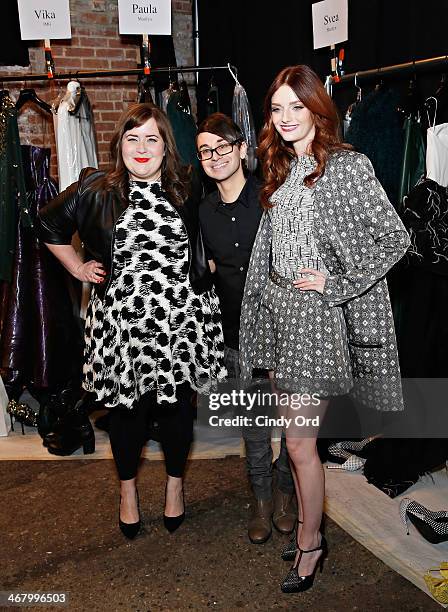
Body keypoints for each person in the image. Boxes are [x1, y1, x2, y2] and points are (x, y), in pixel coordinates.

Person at [239, 65, 410, 593]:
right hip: (279, 317)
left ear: (318, 110)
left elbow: (395, 239)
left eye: (298, 106)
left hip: (316, 320)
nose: (287, 118)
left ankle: (311, 542)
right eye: (278, 108)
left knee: (297, 444)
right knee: (294, 445)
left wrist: (336, 283)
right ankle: (311, 527)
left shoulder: (347, 166)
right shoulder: (281, 167)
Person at [37, 103, 226, 539]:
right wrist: (79, 268)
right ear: (119, 144)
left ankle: (175, 487)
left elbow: (218, 224)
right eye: (132, 138)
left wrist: (212, 264)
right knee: (128, 414)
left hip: (181, 322)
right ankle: (128, 492)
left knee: (178, 409)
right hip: (122, 325)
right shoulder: (94, 189)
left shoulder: (188, 187)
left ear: (165, 147)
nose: (142, 148)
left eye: (152, 139)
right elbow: (47, 225)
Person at [196, 113, 297, 544]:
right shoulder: (201, 212)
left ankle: (285, 490)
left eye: (222, 147)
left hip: (285, 333)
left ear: (241, 149)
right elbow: (197, 274)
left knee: (294, 428)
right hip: (239, 337)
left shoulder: (272, 198)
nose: (215, 157)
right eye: (205, 151)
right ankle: (260, 499)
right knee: (255, 427)